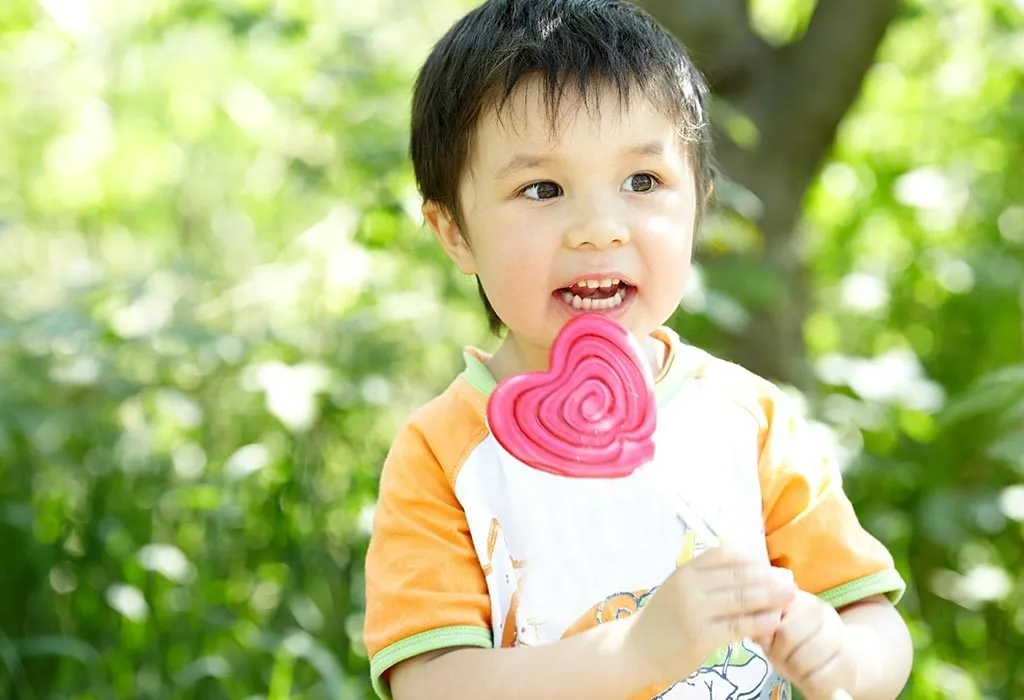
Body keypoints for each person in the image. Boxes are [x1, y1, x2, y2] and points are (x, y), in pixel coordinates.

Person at [362, 1, 913, 699]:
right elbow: (431, 685)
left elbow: (869, 613)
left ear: (699, 206)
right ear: (454, 232)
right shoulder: (443, 454)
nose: (599, 229)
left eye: (643, 182)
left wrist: (848, 657)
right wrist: (635, 652)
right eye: (542, 188)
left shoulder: (750, 422)